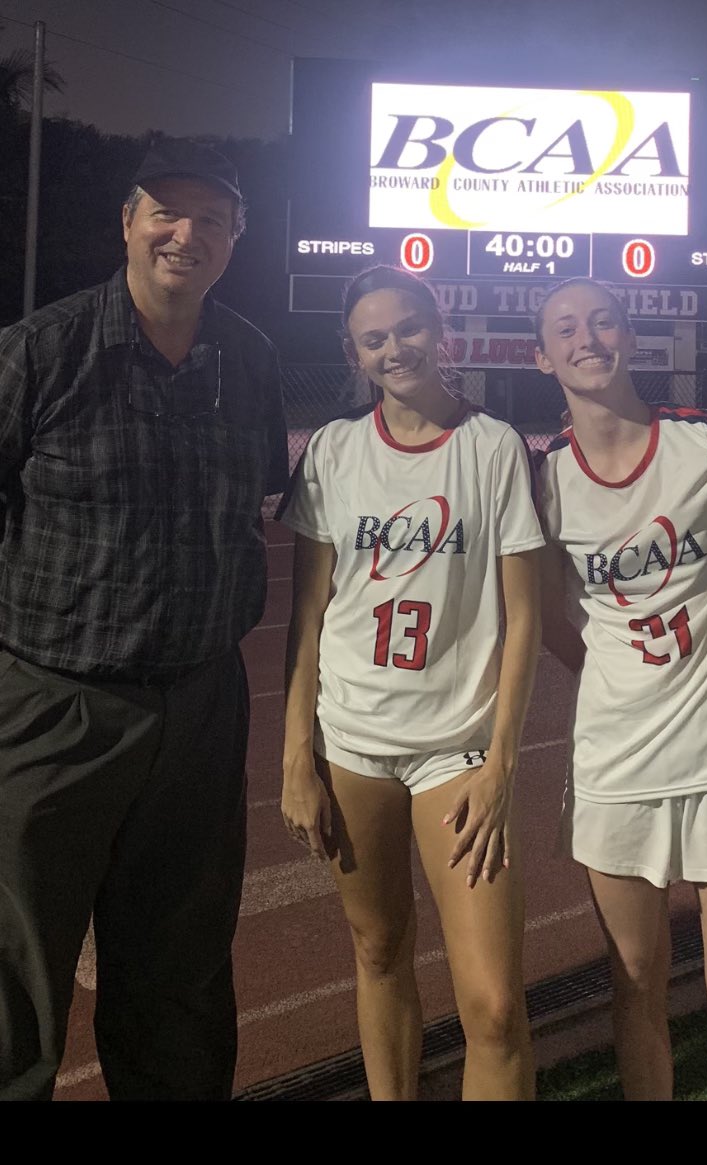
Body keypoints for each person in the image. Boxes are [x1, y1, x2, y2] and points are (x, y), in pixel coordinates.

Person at [0, 137, 289, 1101]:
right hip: (56, 703)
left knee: (183, 969)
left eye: (212, 219)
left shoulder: (246, 358)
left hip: (202, 705)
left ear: (235, 240)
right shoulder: (42, 350)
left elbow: (265, 504)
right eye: (166, 212)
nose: (186, 233)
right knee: (16, 968)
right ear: (126, 223)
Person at [533, 276, 707, 1102]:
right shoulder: (542, 481)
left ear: (632, 339)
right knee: (636, 987)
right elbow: (554, 624)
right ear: (542, 358)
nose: (589, 338)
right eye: (567, 328)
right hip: (622, 767)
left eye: (605, 320)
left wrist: (704, 677)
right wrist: (630, 683)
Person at [278, 264, 544, 1101]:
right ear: (354, 354)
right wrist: (296, 757)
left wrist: (503, 763)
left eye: (409, 328)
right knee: (379, 951)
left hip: (456, 750)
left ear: (441, 328)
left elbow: (525, 618)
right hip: (353, 742)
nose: (396, 348)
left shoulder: (495, 445)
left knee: (496, 1005)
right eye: (374, 337)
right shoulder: (334, 448)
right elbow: (309, 613)